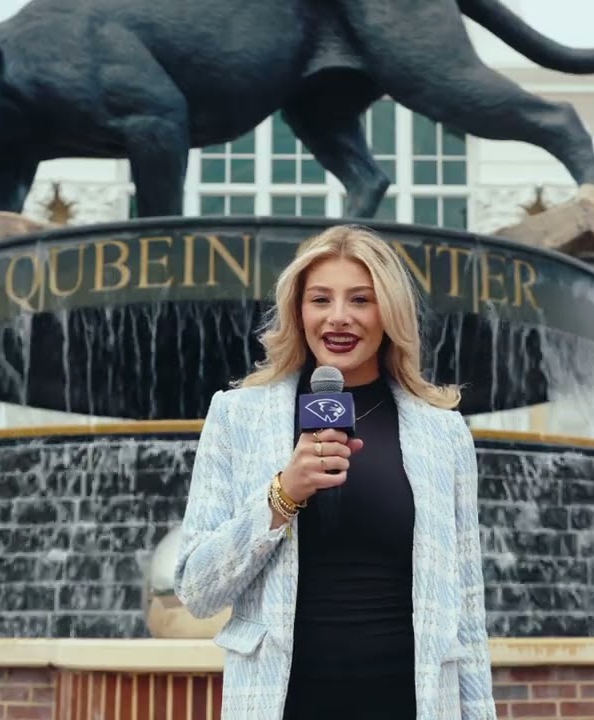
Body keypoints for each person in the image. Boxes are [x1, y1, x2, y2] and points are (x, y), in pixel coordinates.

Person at [173, 225, 495, 719]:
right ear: (298, 312)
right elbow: (195, 589)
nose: (339, 317)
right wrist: (282, 495)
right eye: (320, 299)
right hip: (284, 703)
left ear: (388, 311)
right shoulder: (238, 416)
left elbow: (468, 613)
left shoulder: (444, 433)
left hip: (410, 704)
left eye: (360, 299)